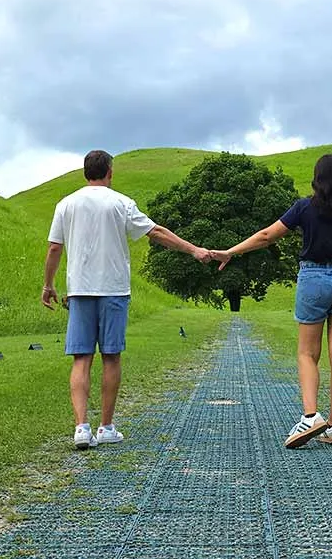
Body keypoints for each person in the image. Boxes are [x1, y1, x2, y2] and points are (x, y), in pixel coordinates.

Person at [42, 150, 212, 450]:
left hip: (80, 290)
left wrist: (48, 284)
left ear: (85, 173)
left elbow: (55, 248)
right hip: (114, 290)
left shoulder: (66, 204)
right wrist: (194, 250)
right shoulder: (121, 203)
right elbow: (155, 232)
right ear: (109, 172)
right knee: (111, 357)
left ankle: (81, 428)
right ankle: (106, 427)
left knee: (81, 358)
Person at [215, 153, 332, 449]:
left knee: (307, 353)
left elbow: (266, 236)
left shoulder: (303, 208)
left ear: (316, 178)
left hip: (313, 280)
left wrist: (231, 252)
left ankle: (311, 417)